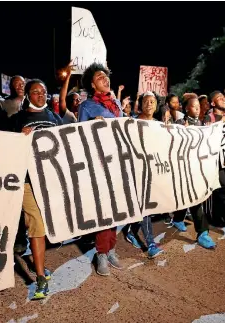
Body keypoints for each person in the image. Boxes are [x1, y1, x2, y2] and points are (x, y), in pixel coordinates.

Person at [7, 79, 63, 299]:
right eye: (36, 92)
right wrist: (18, 139)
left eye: (44, 91)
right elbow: (5, 148)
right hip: (28, 182)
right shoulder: (16, 120)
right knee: (36, 225)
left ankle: (39, 264)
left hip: (52, 181)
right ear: (28, 95)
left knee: (46, 224)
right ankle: (40, 276)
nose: (41, 95)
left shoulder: (55, 118)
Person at [78, 63, 124, 276]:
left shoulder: (115, 105)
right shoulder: (87, 106)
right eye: (99, 77)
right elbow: (78, 136)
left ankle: (111, 247)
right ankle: (101, 253)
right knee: (104, 209)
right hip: (99, 164)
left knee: (117, 208)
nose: (105, 79)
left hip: (118, 162)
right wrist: (91, 126)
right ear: (91, 83)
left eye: (106, 76)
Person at [122, 91, 164, 258]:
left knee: (146, 206)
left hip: (152, 170)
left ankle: (130, 230)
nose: (149, 104)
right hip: (136, 170)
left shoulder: (159, 124)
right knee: (144, 205)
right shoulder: (131, 122)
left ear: (156, 105)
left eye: (152, 102)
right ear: (140, 104)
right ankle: (150, 243)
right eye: (146, 101)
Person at [172, 96, 216, 249]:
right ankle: (202, 232)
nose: (197, 108)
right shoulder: (178, 124)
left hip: (197, 168)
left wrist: (209, 130)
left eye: (198, 106)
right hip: (183, 168)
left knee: (189, 196)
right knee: (193, 197)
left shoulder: (203, 124)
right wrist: (180, 132)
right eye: (193, 106)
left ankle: (177, 219)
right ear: (186, 108)